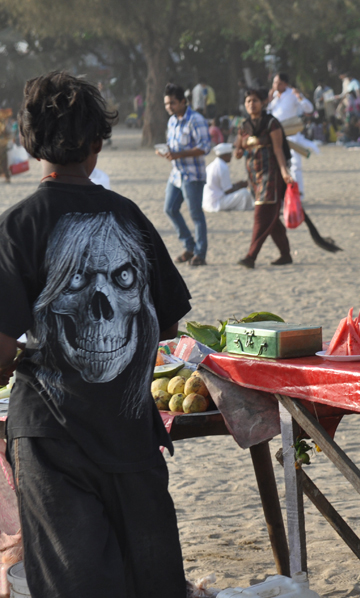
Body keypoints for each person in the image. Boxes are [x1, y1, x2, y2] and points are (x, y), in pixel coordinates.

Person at [0, 71, 192, 598]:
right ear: (95, 145)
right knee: (153, 583)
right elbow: (167, 322)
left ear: (28, 141)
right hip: (131, 436)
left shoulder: (17, 227)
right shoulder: (129, 218)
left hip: (51, 444)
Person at [234, 88, 293, 268]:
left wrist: (284, 172)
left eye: (255, 101)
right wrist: (239, 149)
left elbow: (278, 149)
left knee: (261, 216)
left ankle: (251, 256)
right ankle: (285, 254)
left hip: (271, 175)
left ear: (262, 103)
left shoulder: (271, 123)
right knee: (271, 219)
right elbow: (238, 151)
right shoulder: (243, 126)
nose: (252, 104)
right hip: (253, 176)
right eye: (248, 101)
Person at [157, 83, 211, 266]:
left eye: (172, 103)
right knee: (170, 209)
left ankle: (200, 253)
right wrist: (166, 152)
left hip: (193, 175)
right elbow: (173, 145)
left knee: (196, 214)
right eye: (166, 104)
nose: (169, 107)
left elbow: (205, 147)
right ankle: (189, 246)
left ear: (183, 102)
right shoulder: (172, 121)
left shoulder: (195, 120)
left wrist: (180, 154)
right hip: (176, 174)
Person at [268, 73, 319, 197]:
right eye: (274, 83)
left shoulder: (292, 94)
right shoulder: (273, 97)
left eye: (279, 83)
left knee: (295, 165)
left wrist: (299, 96)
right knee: (276, 165)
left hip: (291, 134)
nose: (276, 85)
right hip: (275, 135)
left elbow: (309, 109)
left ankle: (299, 193)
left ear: (285, 84)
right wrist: (269, 99)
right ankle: (281, 193)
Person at [203, 143, 253, 212]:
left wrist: (237, 185)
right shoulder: (222, 167)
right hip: (217, 202)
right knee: (245, 193)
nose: (231, 156)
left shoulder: (212, 165)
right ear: (225, 155)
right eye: (230, 154)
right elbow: (228, 191)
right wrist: (241, 185)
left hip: (207, 202)